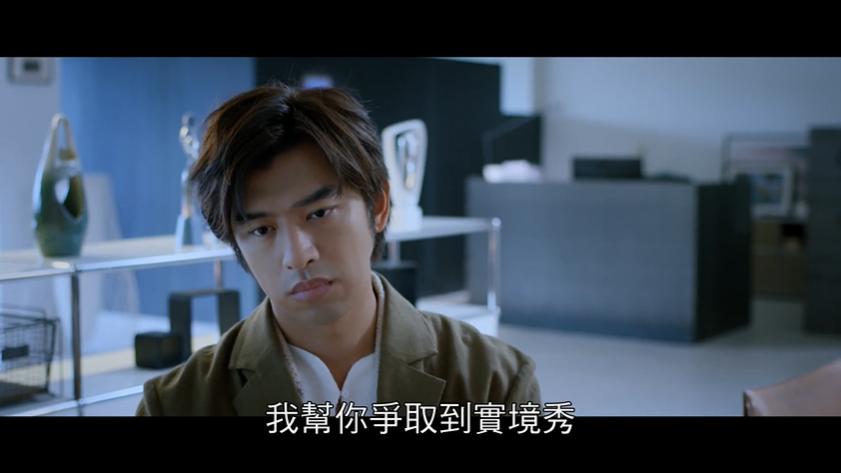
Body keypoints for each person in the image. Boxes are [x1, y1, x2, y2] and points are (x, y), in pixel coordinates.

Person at [136, 82, 541, 416]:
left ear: (378, 206)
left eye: (319, 213)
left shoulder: (492, 383)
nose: (298, 256)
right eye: (261, 230)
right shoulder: (178, 405)